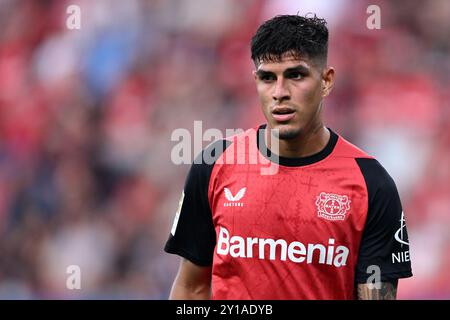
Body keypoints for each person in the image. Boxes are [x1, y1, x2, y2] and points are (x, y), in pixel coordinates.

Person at [164, 14, 412, 300]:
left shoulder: (371, 185)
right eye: (268, 78)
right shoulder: (215, 163)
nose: (280, 93)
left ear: (326, 81)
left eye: (296, 75)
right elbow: (191, 287)